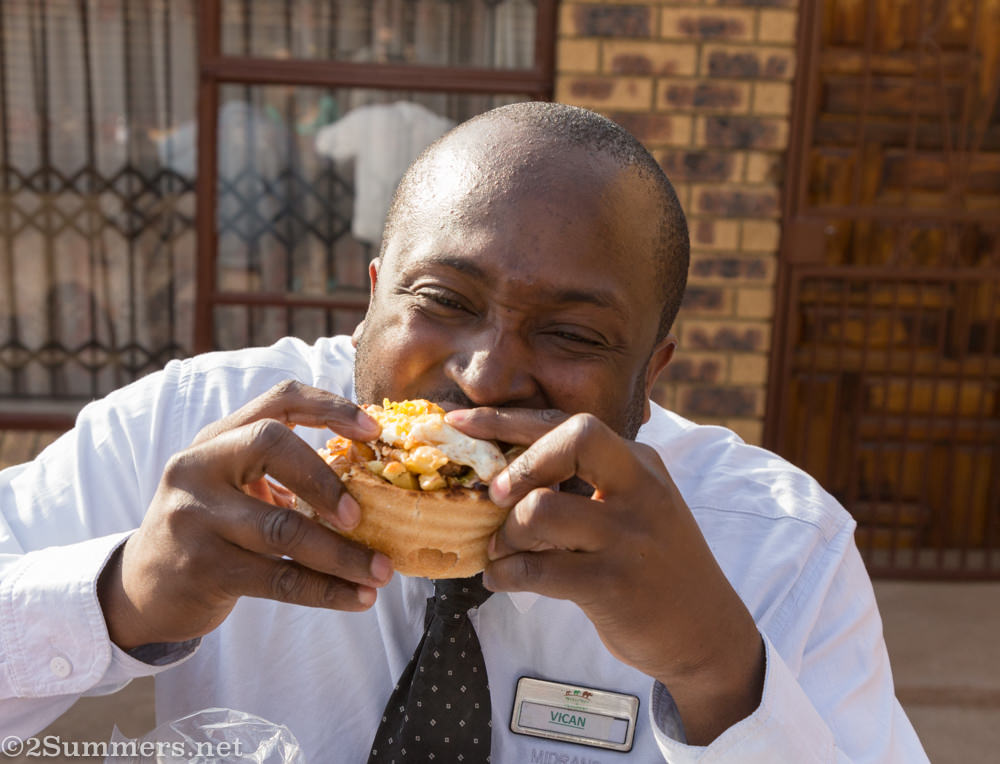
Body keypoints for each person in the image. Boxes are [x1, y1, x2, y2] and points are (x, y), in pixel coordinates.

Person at [0, 102, 927, 762]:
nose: (485, 374)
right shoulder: (191, 433)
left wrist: (720, 672)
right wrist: (119, 595)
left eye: (571, 334)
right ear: (369, 301)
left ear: (652, 372)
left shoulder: (780, 546)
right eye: (442, 301)